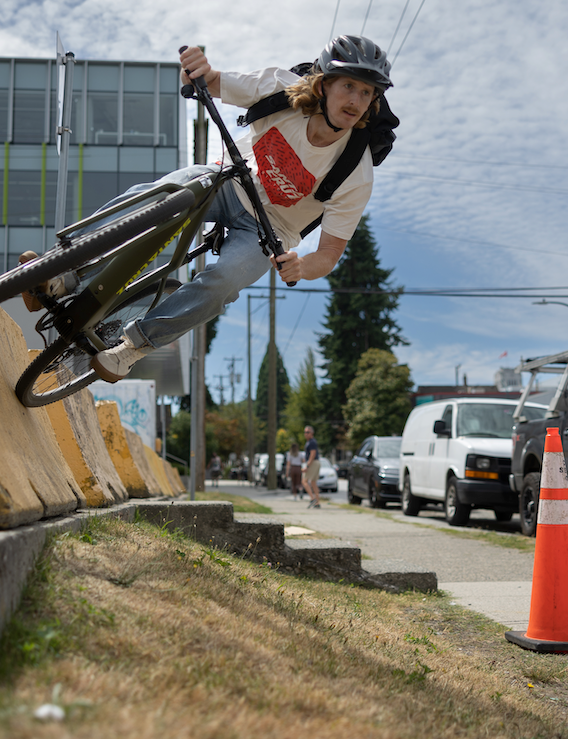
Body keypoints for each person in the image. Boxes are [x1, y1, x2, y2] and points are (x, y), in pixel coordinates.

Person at [78, 36, 393, 383]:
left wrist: (301, 266)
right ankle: (70, 265)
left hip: (270, 232)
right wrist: (196, 70)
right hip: (229, 180)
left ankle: (132, 348)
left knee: (223, 282)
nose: (355, 100)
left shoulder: (356, 171)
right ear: (323, 84)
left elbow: (330, 253)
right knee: (164, 197)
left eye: (367, 93)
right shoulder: (281, 90)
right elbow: (211, 81)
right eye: (349, 86)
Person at [302, 425, 322, 508]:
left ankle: (312, 498)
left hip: (313, 462)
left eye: (307, 432)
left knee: (304, 481)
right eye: (305, 432)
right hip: (315, 462)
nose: (306, 434)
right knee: (313, 482)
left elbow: (313, 454)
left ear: (312, 433)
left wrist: (307, 465)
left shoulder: (312, 442)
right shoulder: (309, 442)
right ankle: (317, 502)